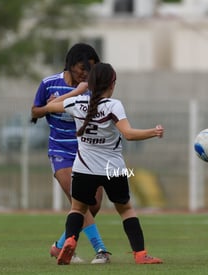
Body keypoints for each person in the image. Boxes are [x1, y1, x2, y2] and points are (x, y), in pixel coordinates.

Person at [43, 62, 164, 265]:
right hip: (113, 169)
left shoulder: (77, 103)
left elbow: (48, 107)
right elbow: (128, 134)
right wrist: (154, 131)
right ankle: (141, 255)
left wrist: (66, 96)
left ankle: (70, 241)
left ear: (89, 84)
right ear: (112, 83)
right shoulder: (113, 105)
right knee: (125, 209)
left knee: (77, 209)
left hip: (83, 168)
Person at [31, 43, 110, 264]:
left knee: (92, 205)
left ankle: (59, 246)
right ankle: (101, 250)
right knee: (80, 200)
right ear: (70, 65)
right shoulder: (49, 84)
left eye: (91, 68)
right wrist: (49, 107)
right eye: (81, 68)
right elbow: (34, 111)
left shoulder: (93, 88)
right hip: (60, 151)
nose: (85, 73)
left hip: (88, 152)